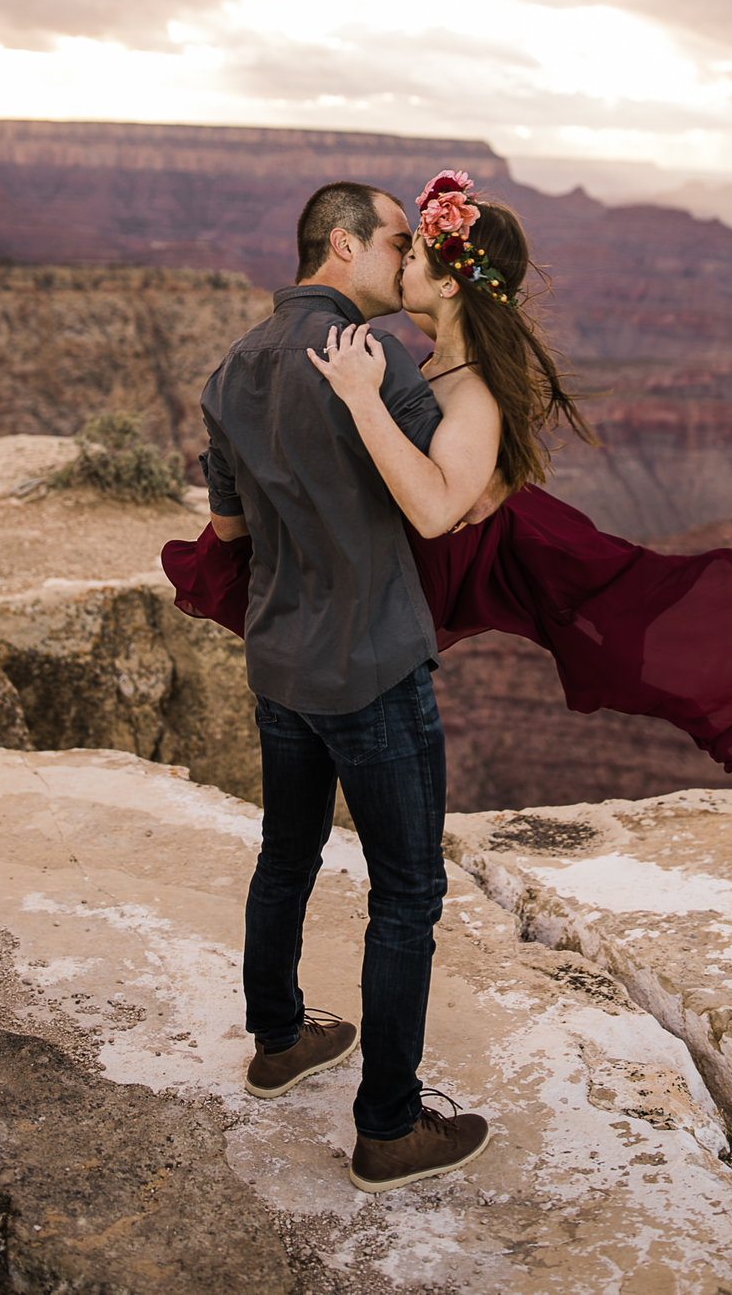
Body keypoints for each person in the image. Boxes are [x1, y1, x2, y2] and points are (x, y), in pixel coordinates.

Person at [166, 173, 732, 774]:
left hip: (394, 597)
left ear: (450, 284)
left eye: (414, 255)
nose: (403, 265)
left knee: (383, 857)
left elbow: (436, 512)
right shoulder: (434, 362)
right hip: (365, 591)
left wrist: (362, 398)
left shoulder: (464, 386)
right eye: (400, 250)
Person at [177, 179, 490, 1194]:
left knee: (287, 851)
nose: (406, 261)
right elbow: (445, 496)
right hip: (373, 667)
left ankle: (276, 1041)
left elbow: (226, 533)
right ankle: (388, 1129)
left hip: (281, 664)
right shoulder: (373, 361)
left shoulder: (231, 370)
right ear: (344, 245)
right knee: (407, 893)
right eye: (397, 241)